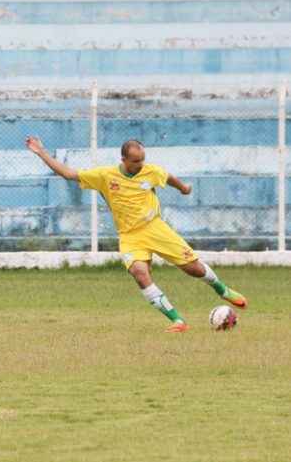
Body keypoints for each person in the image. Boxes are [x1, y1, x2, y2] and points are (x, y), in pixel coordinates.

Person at [26, 136, 248, 333]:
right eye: (136, 161)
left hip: (156, 228)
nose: (140, 164)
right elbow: (68, 174)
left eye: (142, 159)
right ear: (124, 159)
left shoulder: (150, 171)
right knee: (140, 273)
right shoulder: (105, 175)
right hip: (130, 236)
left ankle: (222, 289)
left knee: (193, 268)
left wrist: (183, 188)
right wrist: (42, 153)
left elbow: (167, 176)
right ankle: (177, 320)